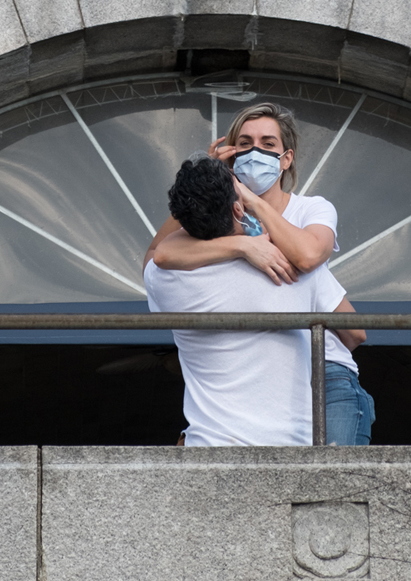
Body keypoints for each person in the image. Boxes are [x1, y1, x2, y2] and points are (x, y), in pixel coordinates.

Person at [145, 102, 375, 446]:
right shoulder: (237, 234)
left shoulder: (311, 209)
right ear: (231, 156)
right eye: (245, 143)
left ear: (287, 158)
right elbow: (160, 254)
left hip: (326, 367)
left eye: (268, 144)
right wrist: (211, 185)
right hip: (265, 385)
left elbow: (310, 257)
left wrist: (248, 200)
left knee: (329, 484)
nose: (255, 151)